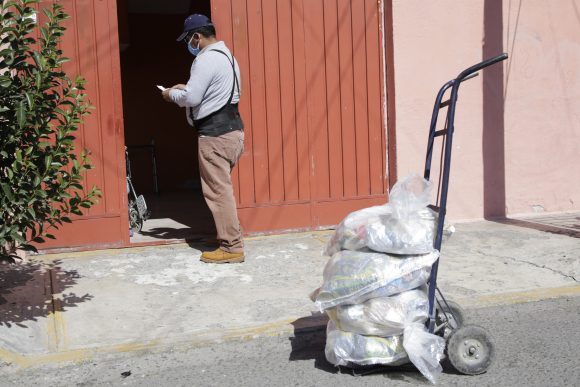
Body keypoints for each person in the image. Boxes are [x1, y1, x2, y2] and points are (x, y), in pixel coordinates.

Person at [162, 14, 245, 264]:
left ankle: (231, 247)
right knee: (222, 189)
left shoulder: (205, 59)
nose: (189, 44)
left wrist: (170, 95)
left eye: (189, 39)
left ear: (197, 36)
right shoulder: (228, 57)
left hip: (215, 134)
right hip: (232, 131)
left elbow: (192, 98)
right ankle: (226, 237)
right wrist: (184, 89)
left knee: (218, 192)